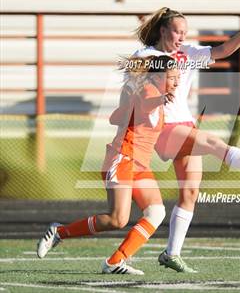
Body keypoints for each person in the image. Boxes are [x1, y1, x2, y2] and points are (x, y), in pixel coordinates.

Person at [133, 7, 240, 272]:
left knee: (191, 192)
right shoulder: (147, 55)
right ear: (163, 31)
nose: (182, 36)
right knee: (212, 143)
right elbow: (132, 72)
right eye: (176, 31)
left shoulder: (189, 53)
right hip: (161, 127)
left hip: (184, 123)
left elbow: (222, 51)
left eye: (185, 32)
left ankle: (171, 253)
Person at [37, 55, 180, 275]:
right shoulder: (150, 91)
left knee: (156, 212)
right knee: (117, 219)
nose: (177, 81)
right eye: (172, 77)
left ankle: (115, 261)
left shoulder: (155, 95)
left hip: (139, 165)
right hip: (123, 159)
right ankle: (59, 232)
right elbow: (145, 104)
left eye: (178, 76)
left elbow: (120, 118)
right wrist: (157, 101)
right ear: (158, 76)